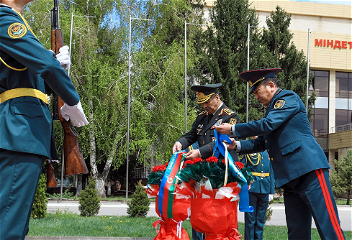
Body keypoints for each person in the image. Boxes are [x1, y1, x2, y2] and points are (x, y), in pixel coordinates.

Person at [215, 68, 345, 240]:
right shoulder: (272, 111)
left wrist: (233, 129)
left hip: (309, 172)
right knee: (296, 233)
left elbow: (266, 125)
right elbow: (262, 142)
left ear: (270, 85)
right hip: (290, 181)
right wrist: (236, 145)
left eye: (256, 91)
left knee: (329, 228)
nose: (255, 97)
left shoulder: (287, 98)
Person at [0, 1, 89, 239]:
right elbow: (45, 66)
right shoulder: (4, 18)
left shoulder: (15, 20)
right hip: (19, 132)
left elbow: (33, 76)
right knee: (9, 226)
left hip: (23, 131)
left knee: (14, 222)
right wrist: (71, 98)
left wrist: (52, 65)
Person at [172, 83, 240, 240]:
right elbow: (191, 135)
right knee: (200, 213)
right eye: (202, 103)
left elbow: (222, 142)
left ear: (217, 97)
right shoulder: (202, 118)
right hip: (204, 174)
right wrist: (180, 143)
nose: (204, 106)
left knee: (219, 218)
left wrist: (199, 152)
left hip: (222, 174)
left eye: (207, 102)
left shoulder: (230, 116)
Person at [239, 136, 275, 240]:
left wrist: (271, 191)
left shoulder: (268, 150)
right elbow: (243, 168)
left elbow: (271, 171)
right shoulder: (248, 151)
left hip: (265, 188)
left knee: (260, 220)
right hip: (252, 188)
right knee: (250, 220)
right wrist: (245, 186)